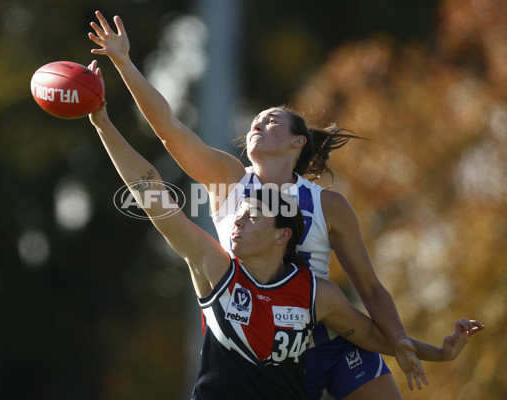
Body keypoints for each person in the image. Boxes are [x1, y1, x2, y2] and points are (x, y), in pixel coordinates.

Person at [87, 13, 473, 398]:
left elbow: (370, 288)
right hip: (267, 342)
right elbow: (168, 129)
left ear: (298, 142)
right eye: (254, 121)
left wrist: (406, 341)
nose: (256, 124)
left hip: (331, 336)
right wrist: (124, 63)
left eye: (270, 120)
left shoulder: (329, 206)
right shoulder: (231, 180)